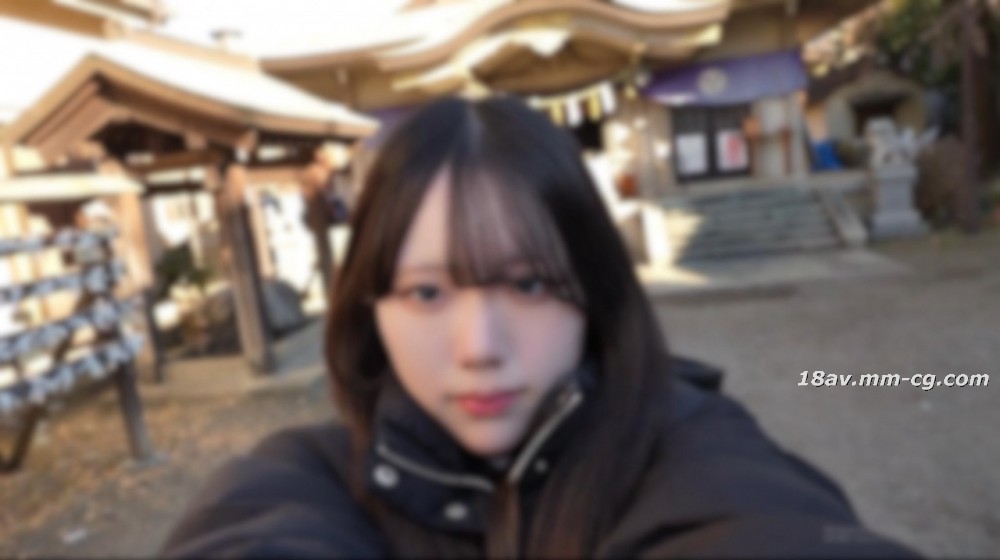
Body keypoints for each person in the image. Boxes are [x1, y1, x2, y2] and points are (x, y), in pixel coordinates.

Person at [161, 97, 917, 559]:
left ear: (593, 288)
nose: (480, 348)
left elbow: (762, 524)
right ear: (369, 309)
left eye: (528, 285)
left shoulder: (686, 444)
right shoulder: (309, 475)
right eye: (426, 293)